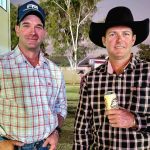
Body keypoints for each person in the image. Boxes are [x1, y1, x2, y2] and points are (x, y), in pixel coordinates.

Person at [73, 6, 150, 149]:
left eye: (126, 34)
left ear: (133, 39)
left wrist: (135, 121)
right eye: (113, 34)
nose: (120, 40)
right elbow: (81, 130)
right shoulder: (91, 79)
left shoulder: (148, 73)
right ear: (104, 40)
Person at [0, 1, 67, 150]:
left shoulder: (55, 71)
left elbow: (61, 107)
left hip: (45, 145)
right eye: (26, 25)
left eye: (38, 26)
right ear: (17, 29)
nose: (33, 32)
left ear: (44, 32)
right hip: (10, 146)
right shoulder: (2, 66)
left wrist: (56, 132)